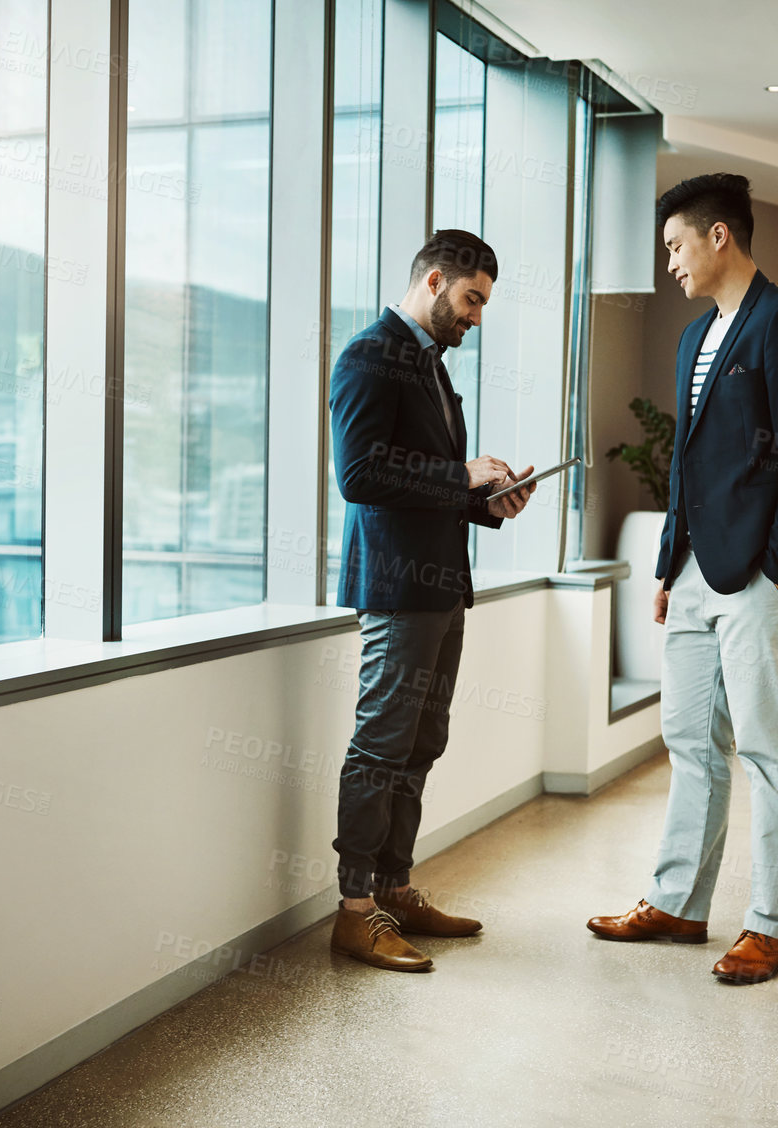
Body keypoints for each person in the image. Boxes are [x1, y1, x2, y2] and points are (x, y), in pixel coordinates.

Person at [587, 173, 778, 984]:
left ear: (718, 235)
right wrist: (669, 566)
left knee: (768, 751)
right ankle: (678, 905)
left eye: (674, 246)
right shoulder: (695, 338)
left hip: (763, 576)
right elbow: (690, 464)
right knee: (689, 742)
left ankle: (770, 925)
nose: (669, 263)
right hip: (696, 572)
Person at [327, 229, 536, 972]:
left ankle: (396, 887)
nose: (476, 316)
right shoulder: (368, 354)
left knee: (421, 743)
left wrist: (489, 502)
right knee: (380, 746)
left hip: (439, 586)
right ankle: (355, 913)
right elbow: (359, 475)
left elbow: (423, 483)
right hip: (395, 588)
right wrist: (462, 478)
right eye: (472, 299)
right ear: (436, 281)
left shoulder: (430, 367)